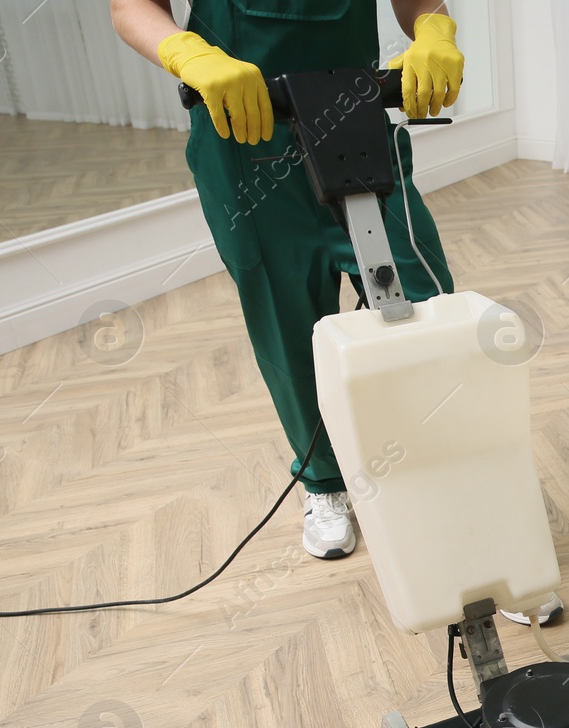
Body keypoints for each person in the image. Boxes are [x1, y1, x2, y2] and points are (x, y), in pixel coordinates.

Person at [110, 0, 460, 562]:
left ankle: (458, 481)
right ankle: (325, 485)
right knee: (288, 320)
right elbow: (131, 8)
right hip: (243, 137)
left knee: (426, 310)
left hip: (352, 115)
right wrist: (187, 51)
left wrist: (433, 27)